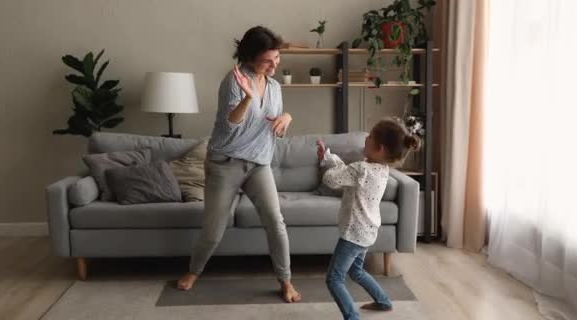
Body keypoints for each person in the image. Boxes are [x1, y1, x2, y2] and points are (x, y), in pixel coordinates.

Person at [177, 26, 301, 303]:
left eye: (277, 58)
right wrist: (247, 97)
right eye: (267, 60)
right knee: (214, 229)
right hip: (225, 164)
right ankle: (193, 271)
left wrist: (286, 119)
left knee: (275, 221)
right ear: (249, 56)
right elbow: (230, 126)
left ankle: (286, 280)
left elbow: (274, 126)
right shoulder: (233, 81)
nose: (274, 65)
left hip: (259, 164)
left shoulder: (275, 86)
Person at [317, 120, 421, 319]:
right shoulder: (380, 170)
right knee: (356, 271)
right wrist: (329, 157)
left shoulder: (361, 169)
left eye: (370, 137)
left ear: (379, 149)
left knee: (334, 279)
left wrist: (326, 164)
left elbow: (331, 179)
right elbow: (346, 173)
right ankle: (383, 301)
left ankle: (352, 317)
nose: (366, 138)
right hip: (367, 231)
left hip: (353, 234)